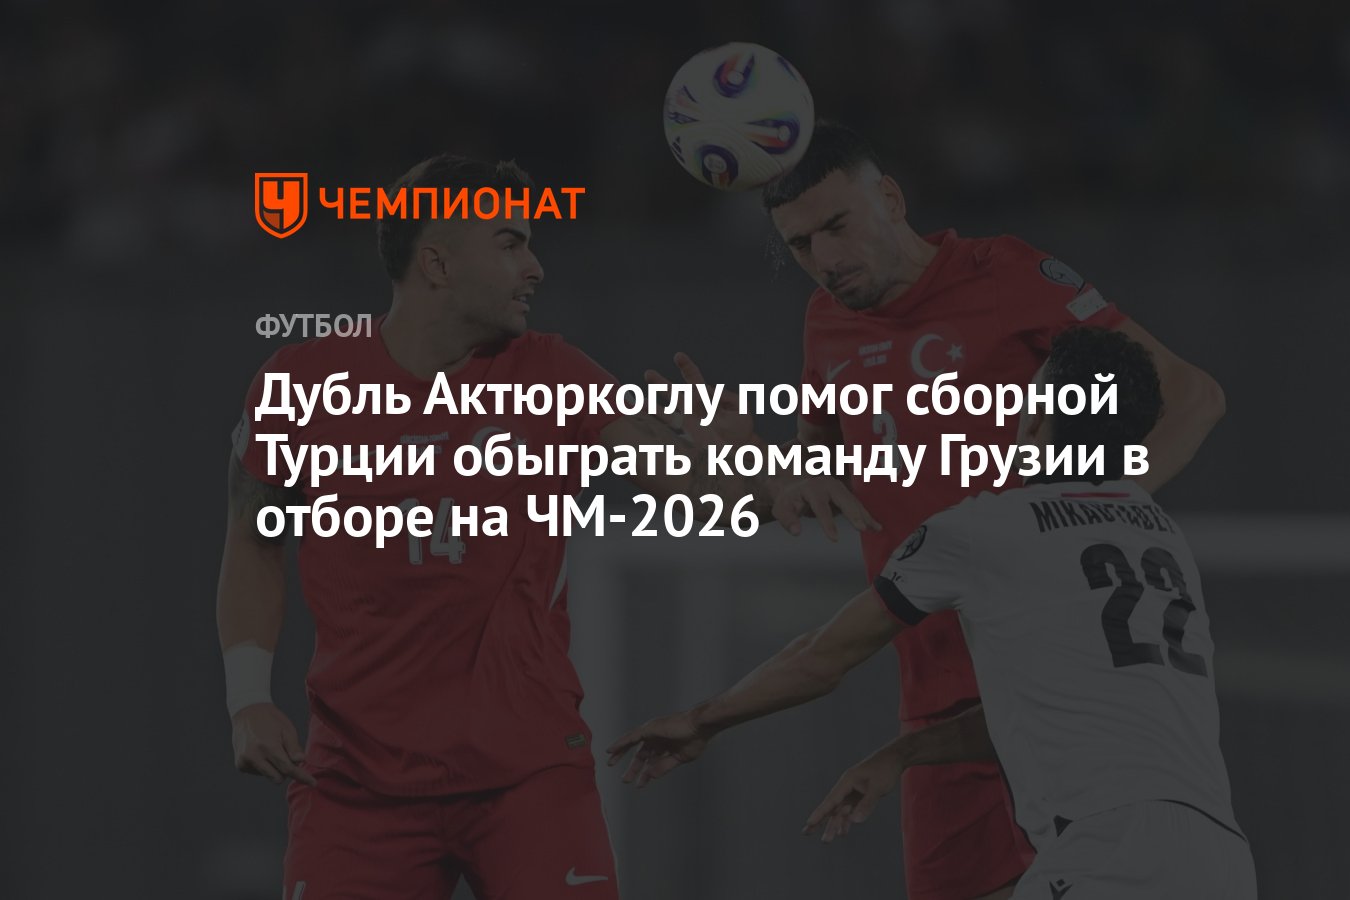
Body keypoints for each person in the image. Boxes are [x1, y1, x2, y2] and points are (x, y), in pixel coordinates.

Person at [216, 153, 870, 900]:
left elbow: (684, 481)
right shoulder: (302, 382)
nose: (535, 268)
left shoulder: (551, 374)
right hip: (355, 784)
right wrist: (248, 698)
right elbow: (253, 538)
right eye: (510, 244)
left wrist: (758, 473)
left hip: (526, 778)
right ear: (437, 263)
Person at [632, 123, 1227, 900]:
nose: (827, 259)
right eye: (802, 245)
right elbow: (808, 489)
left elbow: (1193, 395)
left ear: (889, 198)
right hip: (937, 699)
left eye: (838, 226)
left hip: (1059, 682)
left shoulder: (1006, 274)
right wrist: (736, 471)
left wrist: (1095, 513)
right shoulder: (827, 325)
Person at [609, 326, 1255, 899]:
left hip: (1107, 856)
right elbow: (1048, 708)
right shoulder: (1160, 535)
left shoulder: (987, 528)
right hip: (1221, 857)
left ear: (1037, 422)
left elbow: (822, 658)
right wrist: (900, 755)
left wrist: (702, 719)